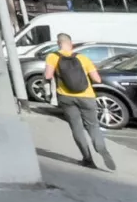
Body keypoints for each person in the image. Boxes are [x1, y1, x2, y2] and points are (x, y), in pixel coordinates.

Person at [43, 33, 116, 171]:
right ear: (71, 44)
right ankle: (101, 148)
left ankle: (87, 159)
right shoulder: (83, 58)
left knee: (77, 128)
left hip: (66, 97)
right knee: (93, 126)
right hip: (87, 96)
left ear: (59, 44)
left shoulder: (52, 57)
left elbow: (47, 75)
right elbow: (97, 80)